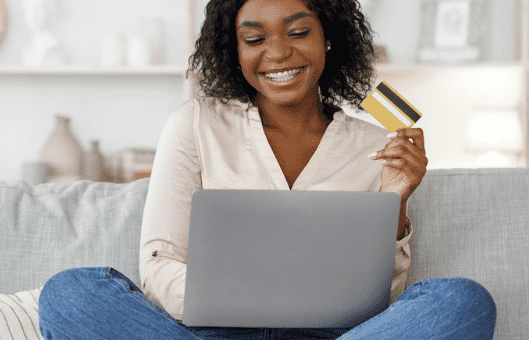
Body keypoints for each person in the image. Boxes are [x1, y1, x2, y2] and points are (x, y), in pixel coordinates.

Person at [38, 0, 497, 339]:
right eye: (255, 39)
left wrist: (396, 198)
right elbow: (159, 266)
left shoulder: (376, 144)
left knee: (461, 301)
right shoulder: (195, 124)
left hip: (330, 336)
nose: (277, 54)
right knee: (72, 293)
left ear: (328, 37)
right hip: (211, 332)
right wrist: (229, 302)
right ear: (234, 51)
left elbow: (385, 296)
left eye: (298, 32)